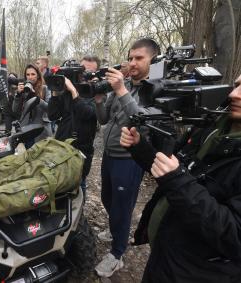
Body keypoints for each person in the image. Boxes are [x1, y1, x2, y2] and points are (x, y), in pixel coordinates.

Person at [119, 74, 241, 283]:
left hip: (198, 273)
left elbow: (235, 236)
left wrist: (177, 179)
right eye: (237, 85)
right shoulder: (213, 125)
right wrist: (139, 147)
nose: (233, 94)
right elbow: (173, 169)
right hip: (167, 254)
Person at [94, 38, 161, 277]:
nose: (132, 63)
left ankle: (117, 254)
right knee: (107, 198)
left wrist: (120, 89)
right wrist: (100, 98)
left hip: (129, 159)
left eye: (139, 58)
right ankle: (116, 229)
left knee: (122, 208)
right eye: (130, 57)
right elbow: (104, 119)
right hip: (109, 154)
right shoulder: (126, 85)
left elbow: (142, 125)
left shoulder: (155, 89)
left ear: (153, 60)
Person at [47, 55, 99, 198]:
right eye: (82, 71)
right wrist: (56, 92)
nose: (84, 75)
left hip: (81, 149)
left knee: (78, 185)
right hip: (62, 145)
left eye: (88, 72)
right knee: (60, 183)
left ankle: (79, 215)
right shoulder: (67, 92)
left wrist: (74, 93)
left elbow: (87, 113)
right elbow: (52, 116)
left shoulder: (97, 91)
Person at [13, 64, 52, 147]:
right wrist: (18, 95)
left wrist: (36, 98)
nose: (30, 77)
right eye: (28, 74)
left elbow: (50, 109)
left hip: (41, 130)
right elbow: (15, 110)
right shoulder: (23, 90)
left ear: (38, 76)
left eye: (33, 74)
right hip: (27, 131)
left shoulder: (45, 89)